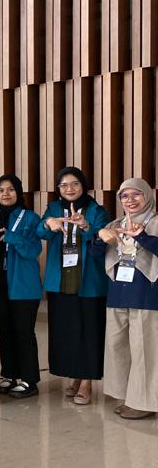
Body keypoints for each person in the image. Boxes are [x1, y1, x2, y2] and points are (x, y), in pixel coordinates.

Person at [35, 166, 109, 404]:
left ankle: (87, 383)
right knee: (68, 330)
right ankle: (75, 376)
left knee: (89, 330)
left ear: (83, 185)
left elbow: (103, 240)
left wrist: (86, 226)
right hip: (61, 280)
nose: (69, 189)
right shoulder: (54, 208)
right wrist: (49, 223)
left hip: (88, 280)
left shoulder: (98, 210)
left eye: (74, 184)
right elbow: (40, 232)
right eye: (64, 185)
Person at [94, 178, 158, 419]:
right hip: (118, 292)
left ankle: (143, 402)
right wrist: (101, 236)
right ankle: (125, 395)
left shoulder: (156, 221)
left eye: (136, 195)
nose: (130, 200)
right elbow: (96, 253)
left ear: (147, 196)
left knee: (144, 350)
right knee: (117, 346)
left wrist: (142, 237)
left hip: (146, 294)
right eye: (124, 196)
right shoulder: (116, 223)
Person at [0, 175, 43, 397]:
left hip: (24, 285)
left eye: (10, 189)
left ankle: (29, 380)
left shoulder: (30, 218)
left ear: (19, 192)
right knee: (5, 331)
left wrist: (11, 237)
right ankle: (9, 375)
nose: (5, 194)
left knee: (23, 332)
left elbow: (33, 251)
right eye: (0, 190)